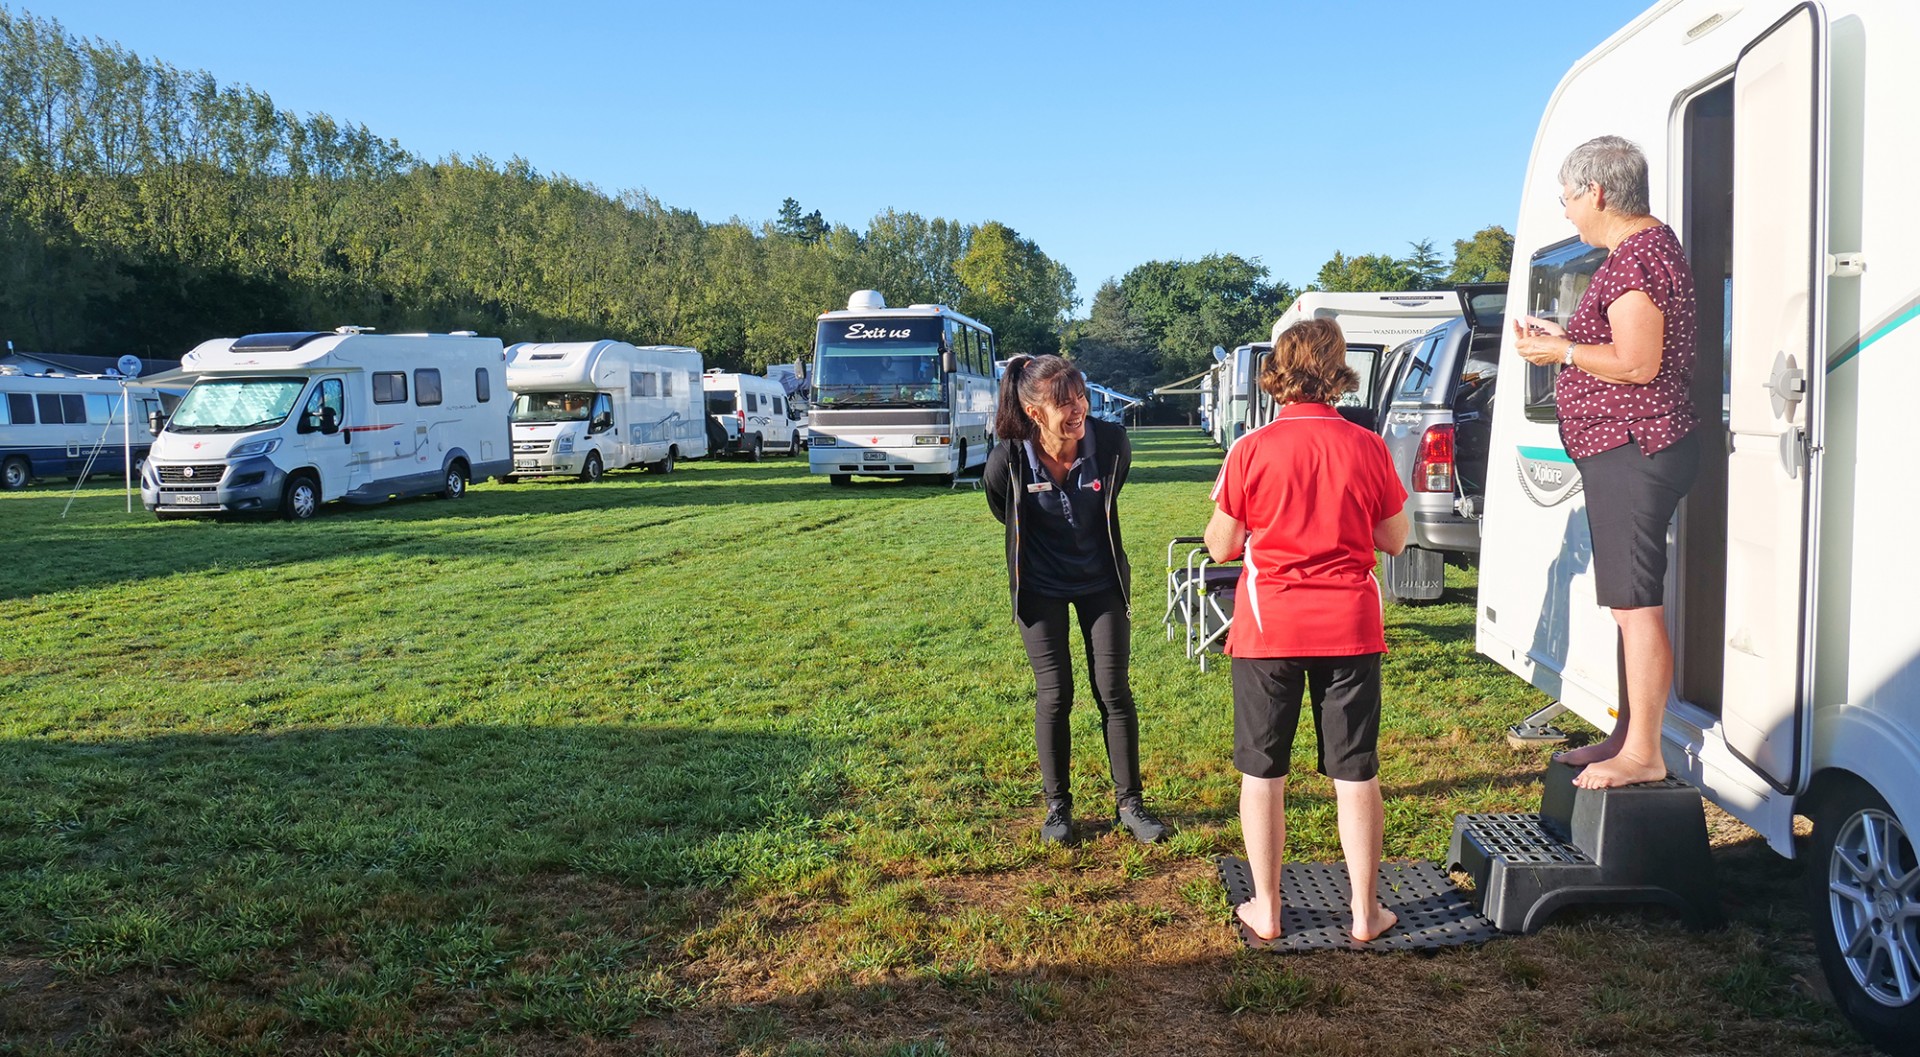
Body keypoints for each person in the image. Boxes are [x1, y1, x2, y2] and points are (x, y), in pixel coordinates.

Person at [1204, 318, 1409, 943]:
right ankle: (1365, 912)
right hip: (1350, 624)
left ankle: (1266, 908)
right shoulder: (1368, 445)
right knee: (1355, 770)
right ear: (1339, 369)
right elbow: (1395, 539)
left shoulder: (1251, 448)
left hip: (1270, 628)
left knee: (1262, 772)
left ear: (1278, 371)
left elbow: (1219, 547)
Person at [1511, 134, 1700, 791]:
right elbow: (1624, 346)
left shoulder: (1637, 258)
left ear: (1596, 192)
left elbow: (1639, 363)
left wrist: (1561, 355)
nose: (1567, 212)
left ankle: (1644, 752)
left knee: (1636, 606)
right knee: (1627, 602)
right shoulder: (1644, 251)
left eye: (1568, 198)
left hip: (1633, 446)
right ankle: (1628, 734)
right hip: (1632, 446)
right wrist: (1568, 339)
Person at [984, 355, 1166, 845]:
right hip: (1040, 587)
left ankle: (1131, 805)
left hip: (1101, 583)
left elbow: (1111, 497)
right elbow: (1004, 510)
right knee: (1055, 695)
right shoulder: (1008, 457)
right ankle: (1058, 811)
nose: (1078, 409)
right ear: (1033, 411)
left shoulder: (1111, 445)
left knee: (1114, 691)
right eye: (1063, 402)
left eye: (1080, 397)